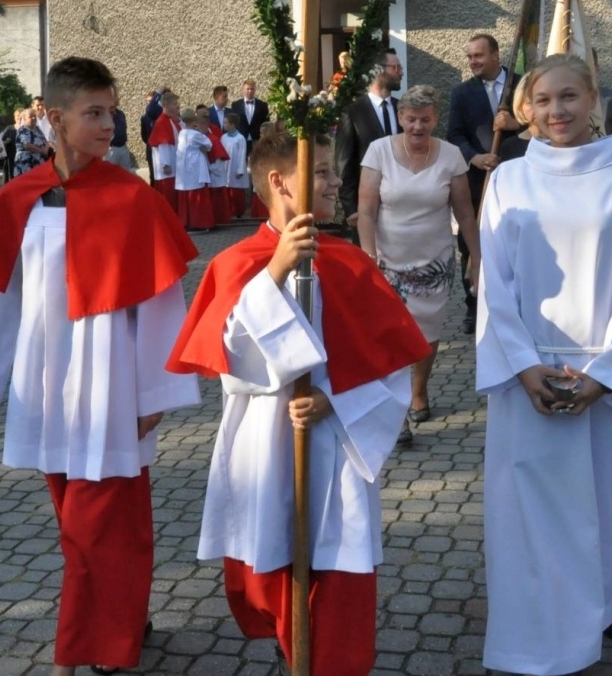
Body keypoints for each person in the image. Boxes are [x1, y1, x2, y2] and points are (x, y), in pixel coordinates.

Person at [0, 56, 201, 676]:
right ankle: (121, 620)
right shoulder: (21, 197)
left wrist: (155, 394)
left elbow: (162, 304)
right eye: (94, 113)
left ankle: (79, 653)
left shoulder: (132, 198)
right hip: (43, 383)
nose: (109, 124)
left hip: (113, 383)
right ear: (55, 119)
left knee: (97, 530)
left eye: (113, 111)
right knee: (88, 527)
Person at [167, 123, 429, 676]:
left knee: (338, 583)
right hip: (265, 447)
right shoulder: (235, 264)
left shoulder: (350, 261)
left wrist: (337, 403)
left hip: (335, 449)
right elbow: (234, 364)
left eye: (336, 171)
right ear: (282, 183)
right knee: (276, 577)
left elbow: (391, 367)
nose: (338, 182)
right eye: (325, 172)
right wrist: (278, 271)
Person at [475, 54, 612, 673]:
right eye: (543, 101)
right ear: (526, 108)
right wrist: (520, 365)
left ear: (594, 98)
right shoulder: (511, 179)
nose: (556, 111)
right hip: (532, 371)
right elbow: (496, 282)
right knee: (536, 500)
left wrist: (606, 373)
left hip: (607, 368)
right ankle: (539, 607)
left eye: (569, 97)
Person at [355, 84, 475, 447]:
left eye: (425, 120)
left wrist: (478, 259)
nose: (418, 127)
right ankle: (399, 411)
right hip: (389, 261)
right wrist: (368, 255)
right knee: (391, 335)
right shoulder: (379, 151)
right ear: (401, 118)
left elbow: (465, 213)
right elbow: (366, 210)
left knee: (426, 334)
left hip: (434, 264)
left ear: (435, 119)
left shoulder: (452, 155)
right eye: (410, 119)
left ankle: (419, 390)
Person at [446, 33, 521, 332]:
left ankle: (516, 304)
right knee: (473, 240)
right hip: (480, 179)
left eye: (478, 55)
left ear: (495, 55)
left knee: (514, 239)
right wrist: (474, 157)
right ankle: (474, 306)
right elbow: (455, 134)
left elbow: (541, 122)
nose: (473, 62)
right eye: (469, 57)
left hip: (517, 174)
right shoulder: (462, 93)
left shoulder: (522, 84)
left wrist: (518, 124)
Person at [335, 48, 402, 227]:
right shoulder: (353, 112)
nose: (401, 72)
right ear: (380, 70)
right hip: (367, 210)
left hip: (402, 208)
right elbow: (344, 164)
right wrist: (351, 209)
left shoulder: (403, 109)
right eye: (396, 67)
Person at [175, 109, 216, 232]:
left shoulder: (181, 132)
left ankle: (186, 222)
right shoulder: (196, 135)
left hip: (184, 169)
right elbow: (209, 145)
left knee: (186, 197)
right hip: (195, 168)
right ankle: (200, 223)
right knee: (197, 196)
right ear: (194, 121)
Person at [145, 91, 183, 213]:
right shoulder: (162, 122)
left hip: (174, 165)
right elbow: (163, 143)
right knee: (168, 197)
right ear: (166, 104)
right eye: (175, 103)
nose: (177, 106)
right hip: (167, 169)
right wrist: (166, 164)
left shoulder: (171, 120)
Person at [221, 112, 250, 218]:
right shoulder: (223, 137)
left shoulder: (240, 138)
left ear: (232, 125)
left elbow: (242, 154)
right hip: (226, 166)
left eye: (226, 123)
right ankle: (228, 211)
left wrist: (240, 169)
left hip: (235, 167)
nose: (224, 125)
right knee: (227, 189)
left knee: (236, 191)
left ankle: (238, 211)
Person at [229, 78, 270, 151]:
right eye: (248, 89)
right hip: (240, 140)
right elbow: (233, 123)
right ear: (243, 90)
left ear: (255, 90)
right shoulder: (235, 105)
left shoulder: (262, 105)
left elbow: (266, 123)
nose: (250, 91)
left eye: (252, 89)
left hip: (257, 140)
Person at [13, 107, 50, 179]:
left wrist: (46, 149)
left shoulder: (37, 129)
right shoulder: (23, 130)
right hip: (26, 163)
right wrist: (42, 151)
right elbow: (27, 146)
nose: (33, 118)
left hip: (39, 162)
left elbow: (46, 141)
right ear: (24, 119)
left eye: (34, 116)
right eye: (30, 116)